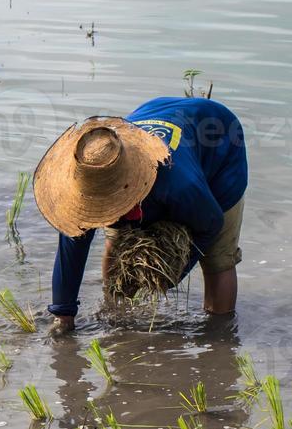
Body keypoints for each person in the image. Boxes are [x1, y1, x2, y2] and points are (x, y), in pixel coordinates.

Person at [33, 97, 248, 335]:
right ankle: (115, 310)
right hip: (156, 115)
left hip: (221, 143)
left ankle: (219, 336)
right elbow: (70, 255)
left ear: (130, 188)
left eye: (113, 204)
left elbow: (212, 224)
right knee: (116, 241)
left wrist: (171, 272)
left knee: (218, 259)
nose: (107, 210)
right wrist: (63, 316)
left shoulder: (179, 184)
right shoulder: (78, 194)